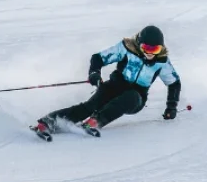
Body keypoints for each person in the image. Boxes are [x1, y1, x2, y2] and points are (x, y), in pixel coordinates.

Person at [35, 25, 181, 137]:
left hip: (136, 97)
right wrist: (94, 73)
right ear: (138, 44)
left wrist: (171, 107)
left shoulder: (161, 62)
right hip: (114, 87)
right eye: (146, 48)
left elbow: (174, 83)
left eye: (155, 49)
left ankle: (96, 121)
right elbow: (98, 58)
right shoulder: (126, 48)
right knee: (90, 106)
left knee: (131, 97)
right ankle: (48, 122)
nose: (150, 53)